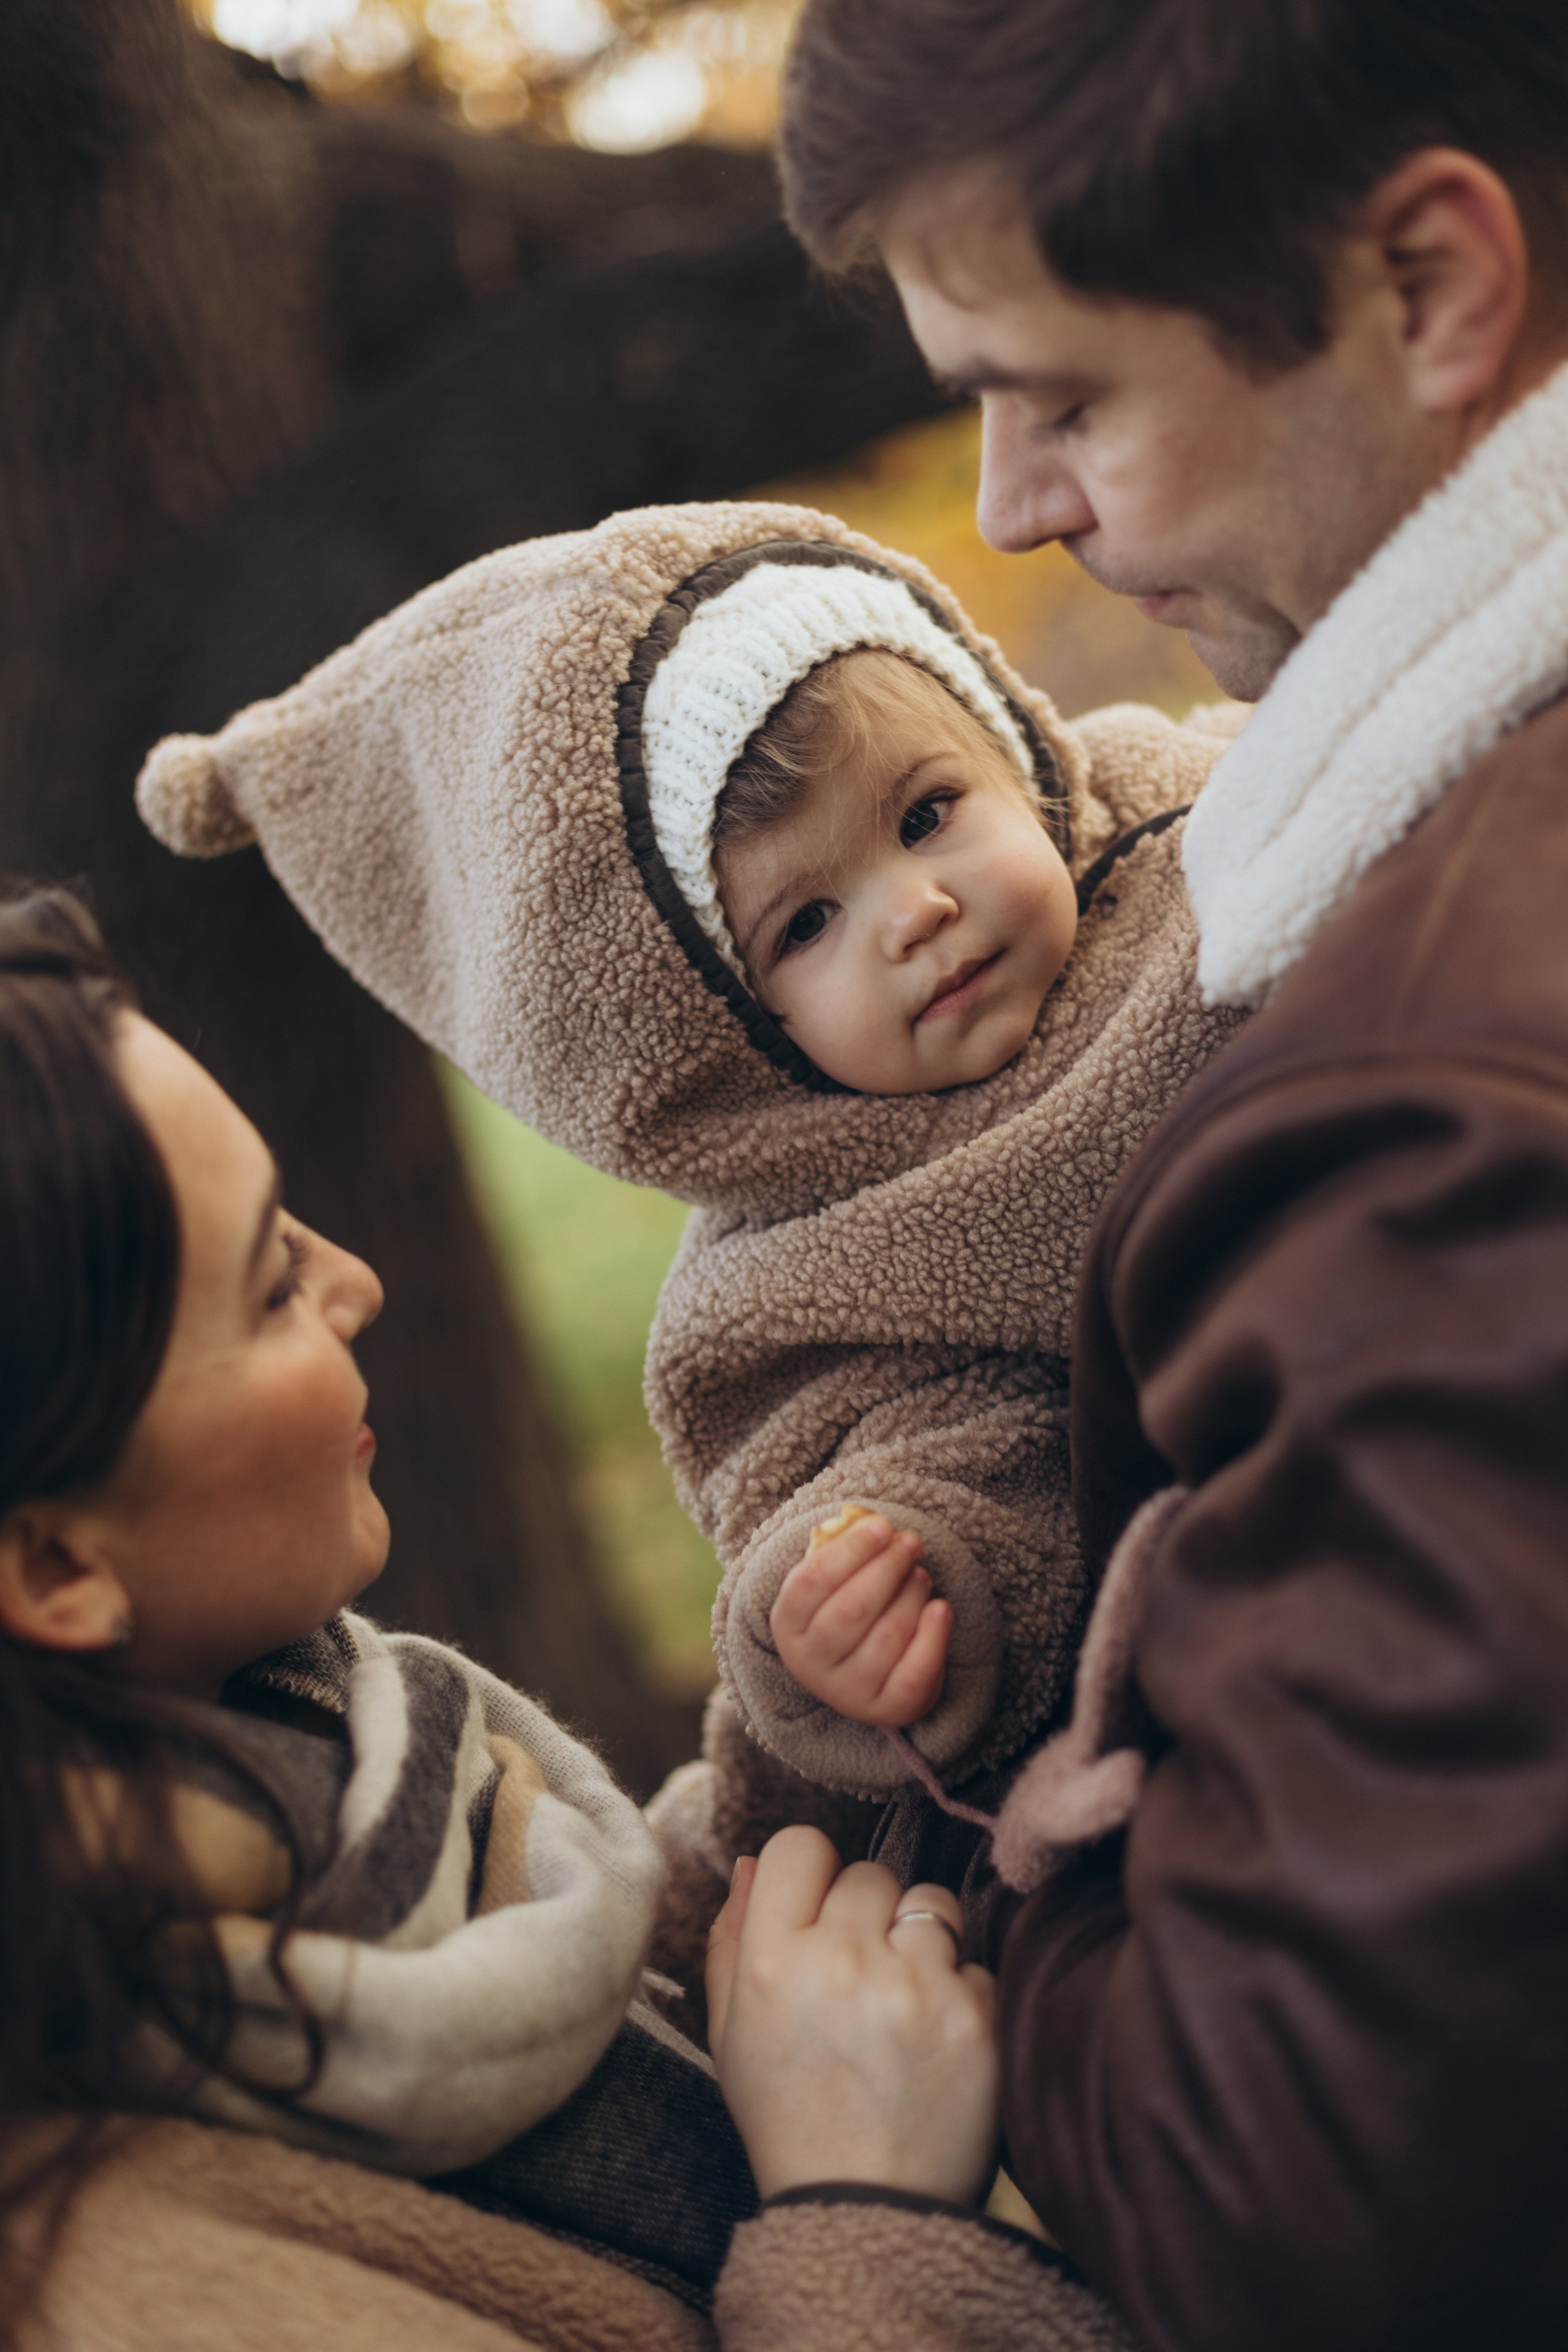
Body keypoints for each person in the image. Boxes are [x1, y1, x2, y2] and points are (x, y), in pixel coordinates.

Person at [768, 1, 1568, 2348]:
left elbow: (1302, 2203)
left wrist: (1015, 1907)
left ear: (1428, 285)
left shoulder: (1433, 1100)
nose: (1008, 503)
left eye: (1067, 393)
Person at [132, 497, 1242, 1999]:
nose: (915, 912)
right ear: (715, 1046)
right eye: (804, 926)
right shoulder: (816, 1277)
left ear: (1010, 747)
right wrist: (873, 1605)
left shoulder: (1211, 831)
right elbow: (926, 1465)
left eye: (928, 814)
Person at [0, 886, 1117, 2352]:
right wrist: (863, 2214)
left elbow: (590, 1964)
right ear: (54, 1572)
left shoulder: (325, 1751)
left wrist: (811, 1749)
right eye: (270, 1286)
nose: (357, 1280)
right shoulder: (110, 2274)